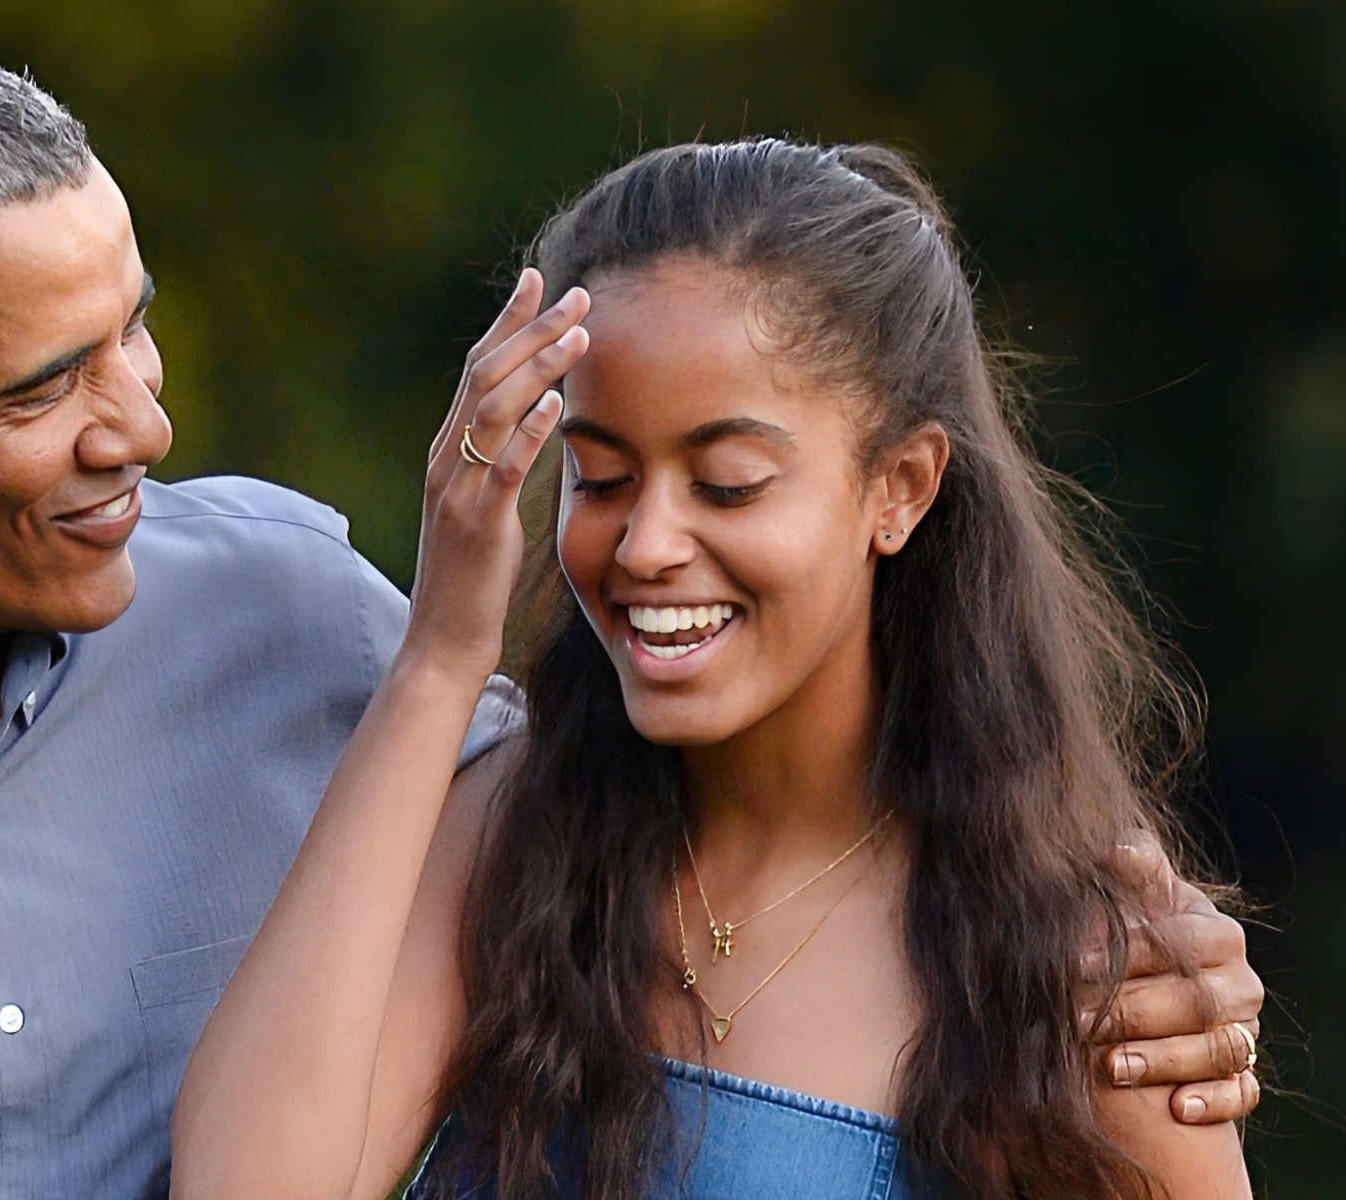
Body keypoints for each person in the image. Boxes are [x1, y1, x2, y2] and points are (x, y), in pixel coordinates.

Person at [0, 35, 1256, 1200]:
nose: (147, 426)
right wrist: (455, 648)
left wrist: (1122, 911)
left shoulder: (285, 610)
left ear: (903, 486)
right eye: (42, 387)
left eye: (134, 332)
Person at [173, 140, 1260, 1199]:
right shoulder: (511, 830)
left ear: (902, 487)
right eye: (598, 480)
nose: (646, 544)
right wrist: (439, 661)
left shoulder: (1071, 961)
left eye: (729, 484)